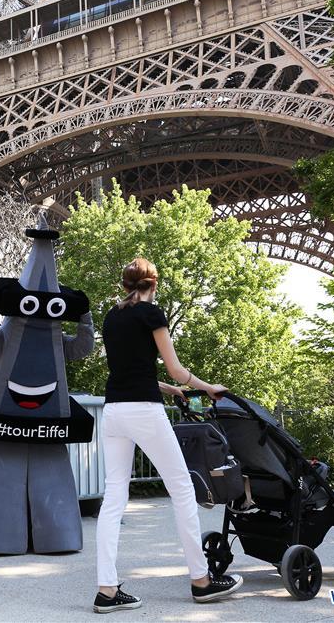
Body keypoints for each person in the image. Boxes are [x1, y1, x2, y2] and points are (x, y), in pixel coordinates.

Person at [93, 258, 242, 613]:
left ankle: (107, 590)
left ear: (127, 284)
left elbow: (131, 370)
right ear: (153, 284)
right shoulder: (152, 314)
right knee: (182, 489)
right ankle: (201, 581)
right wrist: (207, 388)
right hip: (144, 411)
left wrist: (171, 391)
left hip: (114, 412)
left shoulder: (112, 317)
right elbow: (176, 368)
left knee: (113, 497)